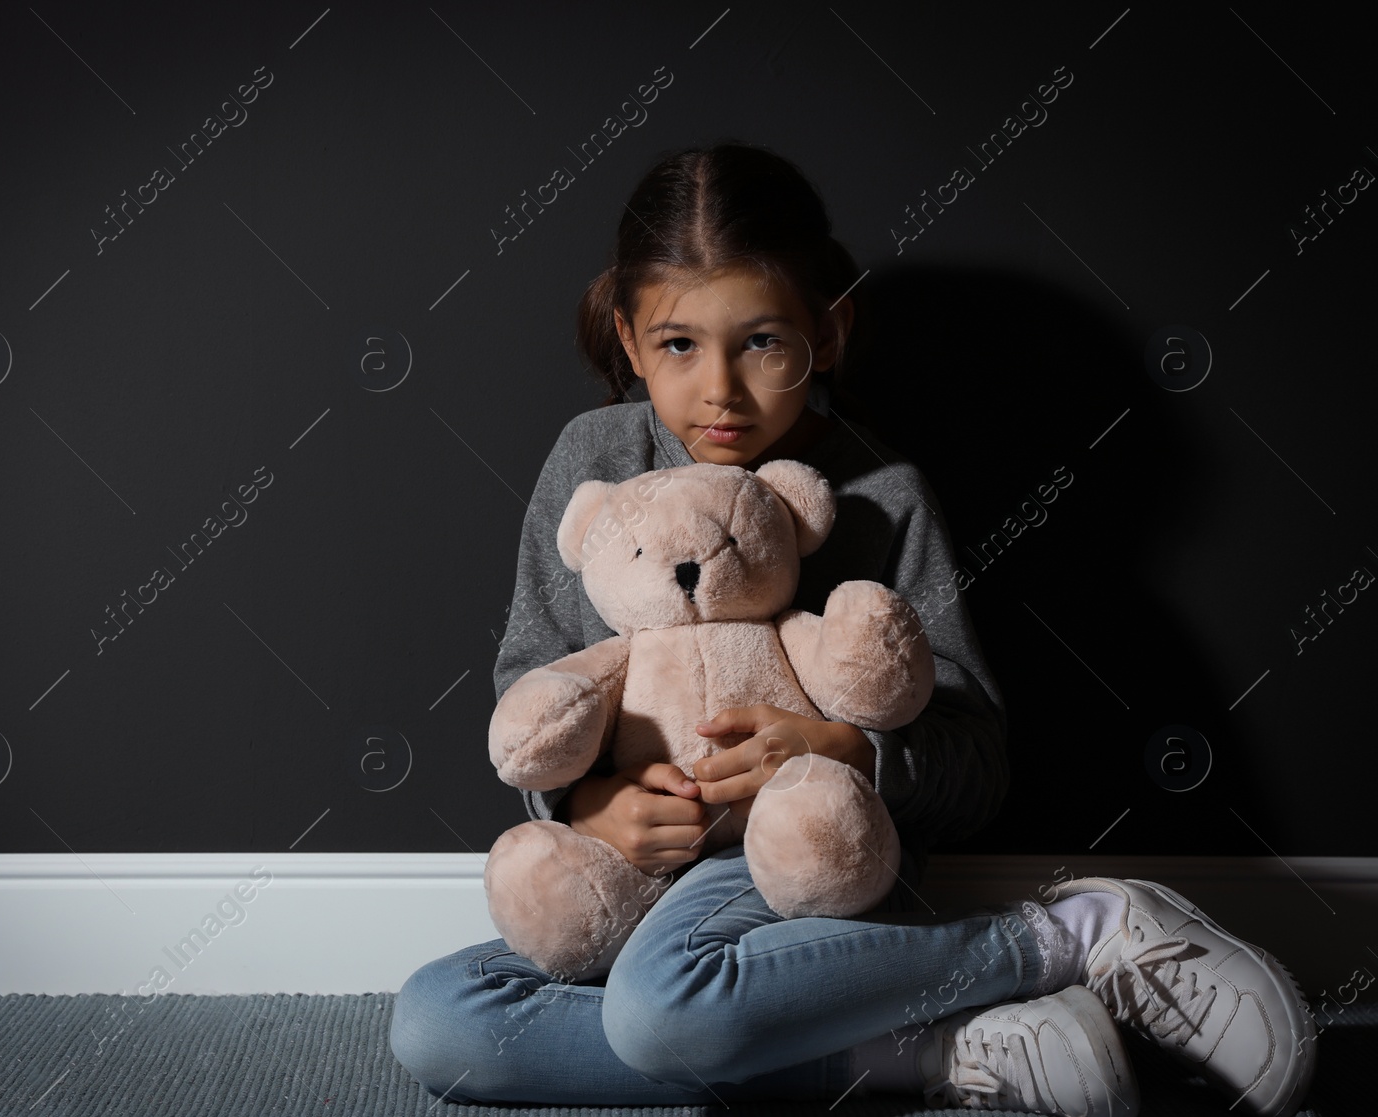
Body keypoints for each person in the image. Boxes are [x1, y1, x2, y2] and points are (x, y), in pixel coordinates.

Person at [389, 142, 1316, 1116]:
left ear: (826, 333)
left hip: (798, 876)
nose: (720, 390)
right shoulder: (593, 462)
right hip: (632, 877)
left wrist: (847, 751)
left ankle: (1069, 935)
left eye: (761, 342)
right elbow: (533, 700)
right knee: (438, 1022)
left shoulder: (882, 495)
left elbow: (974, 764)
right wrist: (587, 809)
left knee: (661, 1012)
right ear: (626, 339)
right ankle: (939, 1046)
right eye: (677, 345)